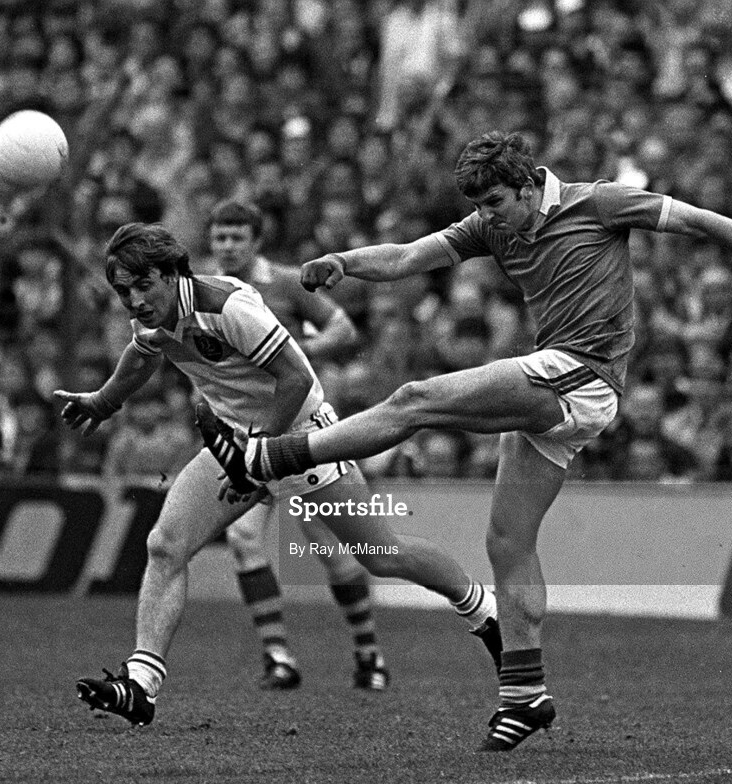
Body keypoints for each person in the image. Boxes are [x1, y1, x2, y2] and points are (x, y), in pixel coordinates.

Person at [196, 130, 732, 752]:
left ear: (529, 186)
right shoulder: (492, 223)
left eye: (495, 203)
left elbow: (700, 222)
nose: (486, 217)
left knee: (416, 399)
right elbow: (407, 257)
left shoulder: (600, 202)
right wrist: (343, 263)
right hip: (558, 387)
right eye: (479, 207)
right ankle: (526, 694)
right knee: (507, 541)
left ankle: (268, 455)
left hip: (583, 373)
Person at [55, 222, 505, 729]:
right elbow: (142, 355)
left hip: (301, 437)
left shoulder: (227, 307)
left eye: (142, 286)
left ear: (173, 274)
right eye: (123, 291)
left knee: (381, 554)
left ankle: (485, 609)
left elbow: (295, 378)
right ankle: (140, 685)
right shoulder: (154, 313)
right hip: (237, 437)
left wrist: (260, 453)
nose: (134, 300)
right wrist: (105, 399)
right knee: (165, 545)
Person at [207, 199, 389, 691]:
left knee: (334, 551)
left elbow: (344, 328)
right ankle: (278, 656)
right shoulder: (205, 292)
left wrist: (294, 354)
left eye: (236, 237)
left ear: (256, 241)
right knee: (244, 538)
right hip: (242, 434)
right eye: (219, 237)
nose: (226, 246)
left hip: (299, 430)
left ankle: (369, 654)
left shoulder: (286, 283)